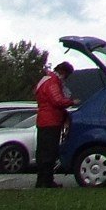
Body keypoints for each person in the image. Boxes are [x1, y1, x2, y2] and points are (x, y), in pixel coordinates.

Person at [33, 59, 76, 188]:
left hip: (42, 120)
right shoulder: (53, 82)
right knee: (50, 152)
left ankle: (41, 179)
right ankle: (47, 180)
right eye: (67, 75)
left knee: (42, 151)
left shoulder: (44, 79)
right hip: (51, 121)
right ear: (63, 72)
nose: (66, 78)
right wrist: (71, 102)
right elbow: (57, 100)